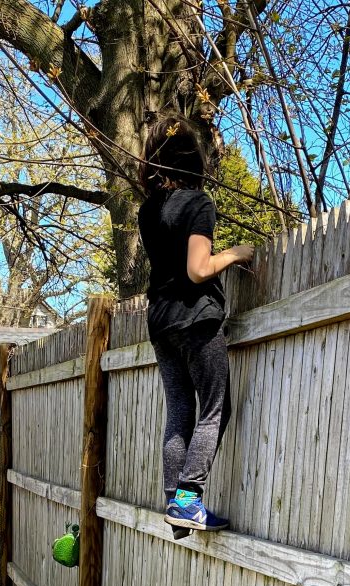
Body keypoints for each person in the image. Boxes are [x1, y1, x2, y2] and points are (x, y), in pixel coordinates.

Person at [138, 115, 254, 532]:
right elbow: (198, 269)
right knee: (213, 412)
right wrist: (237, 253)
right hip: (196, 320)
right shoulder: (198, 203)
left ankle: (175, 503)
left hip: (160, 322)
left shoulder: (148, 210)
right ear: (192, 157)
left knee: (180, 411)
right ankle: (188, 500)